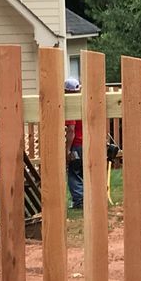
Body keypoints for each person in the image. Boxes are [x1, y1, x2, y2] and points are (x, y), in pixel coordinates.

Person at [64, 75, 85, 210]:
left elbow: (71, 130)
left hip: (76, 145)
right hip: (87, 144)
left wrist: (67, 150)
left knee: (74, 172)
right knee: (85, 172)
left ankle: (78, 201)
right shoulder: (83, 102)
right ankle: (88, 199)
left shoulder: (71, 105)